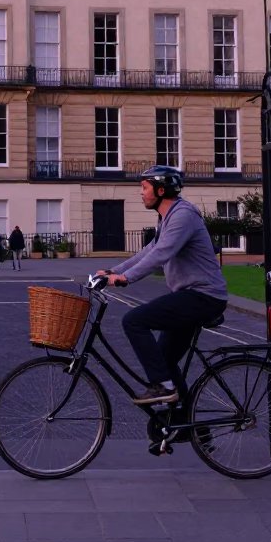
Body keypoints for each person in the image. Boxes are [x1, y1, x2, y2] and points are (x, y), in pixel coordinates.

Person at [96, 165, 228, 407]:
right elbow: (149, 251)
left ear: (160, 189)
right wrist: (115, 271)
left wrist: (127, 278)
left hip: (204, 296)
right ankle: (186, 426)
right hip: (190, 296)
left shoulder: (183, 215)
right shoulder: (167, 217)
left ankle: (163, 387)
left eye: (144, 188)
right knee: (165, 361)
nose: (141, 193)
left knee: (134, 321)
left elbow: (162, 254)